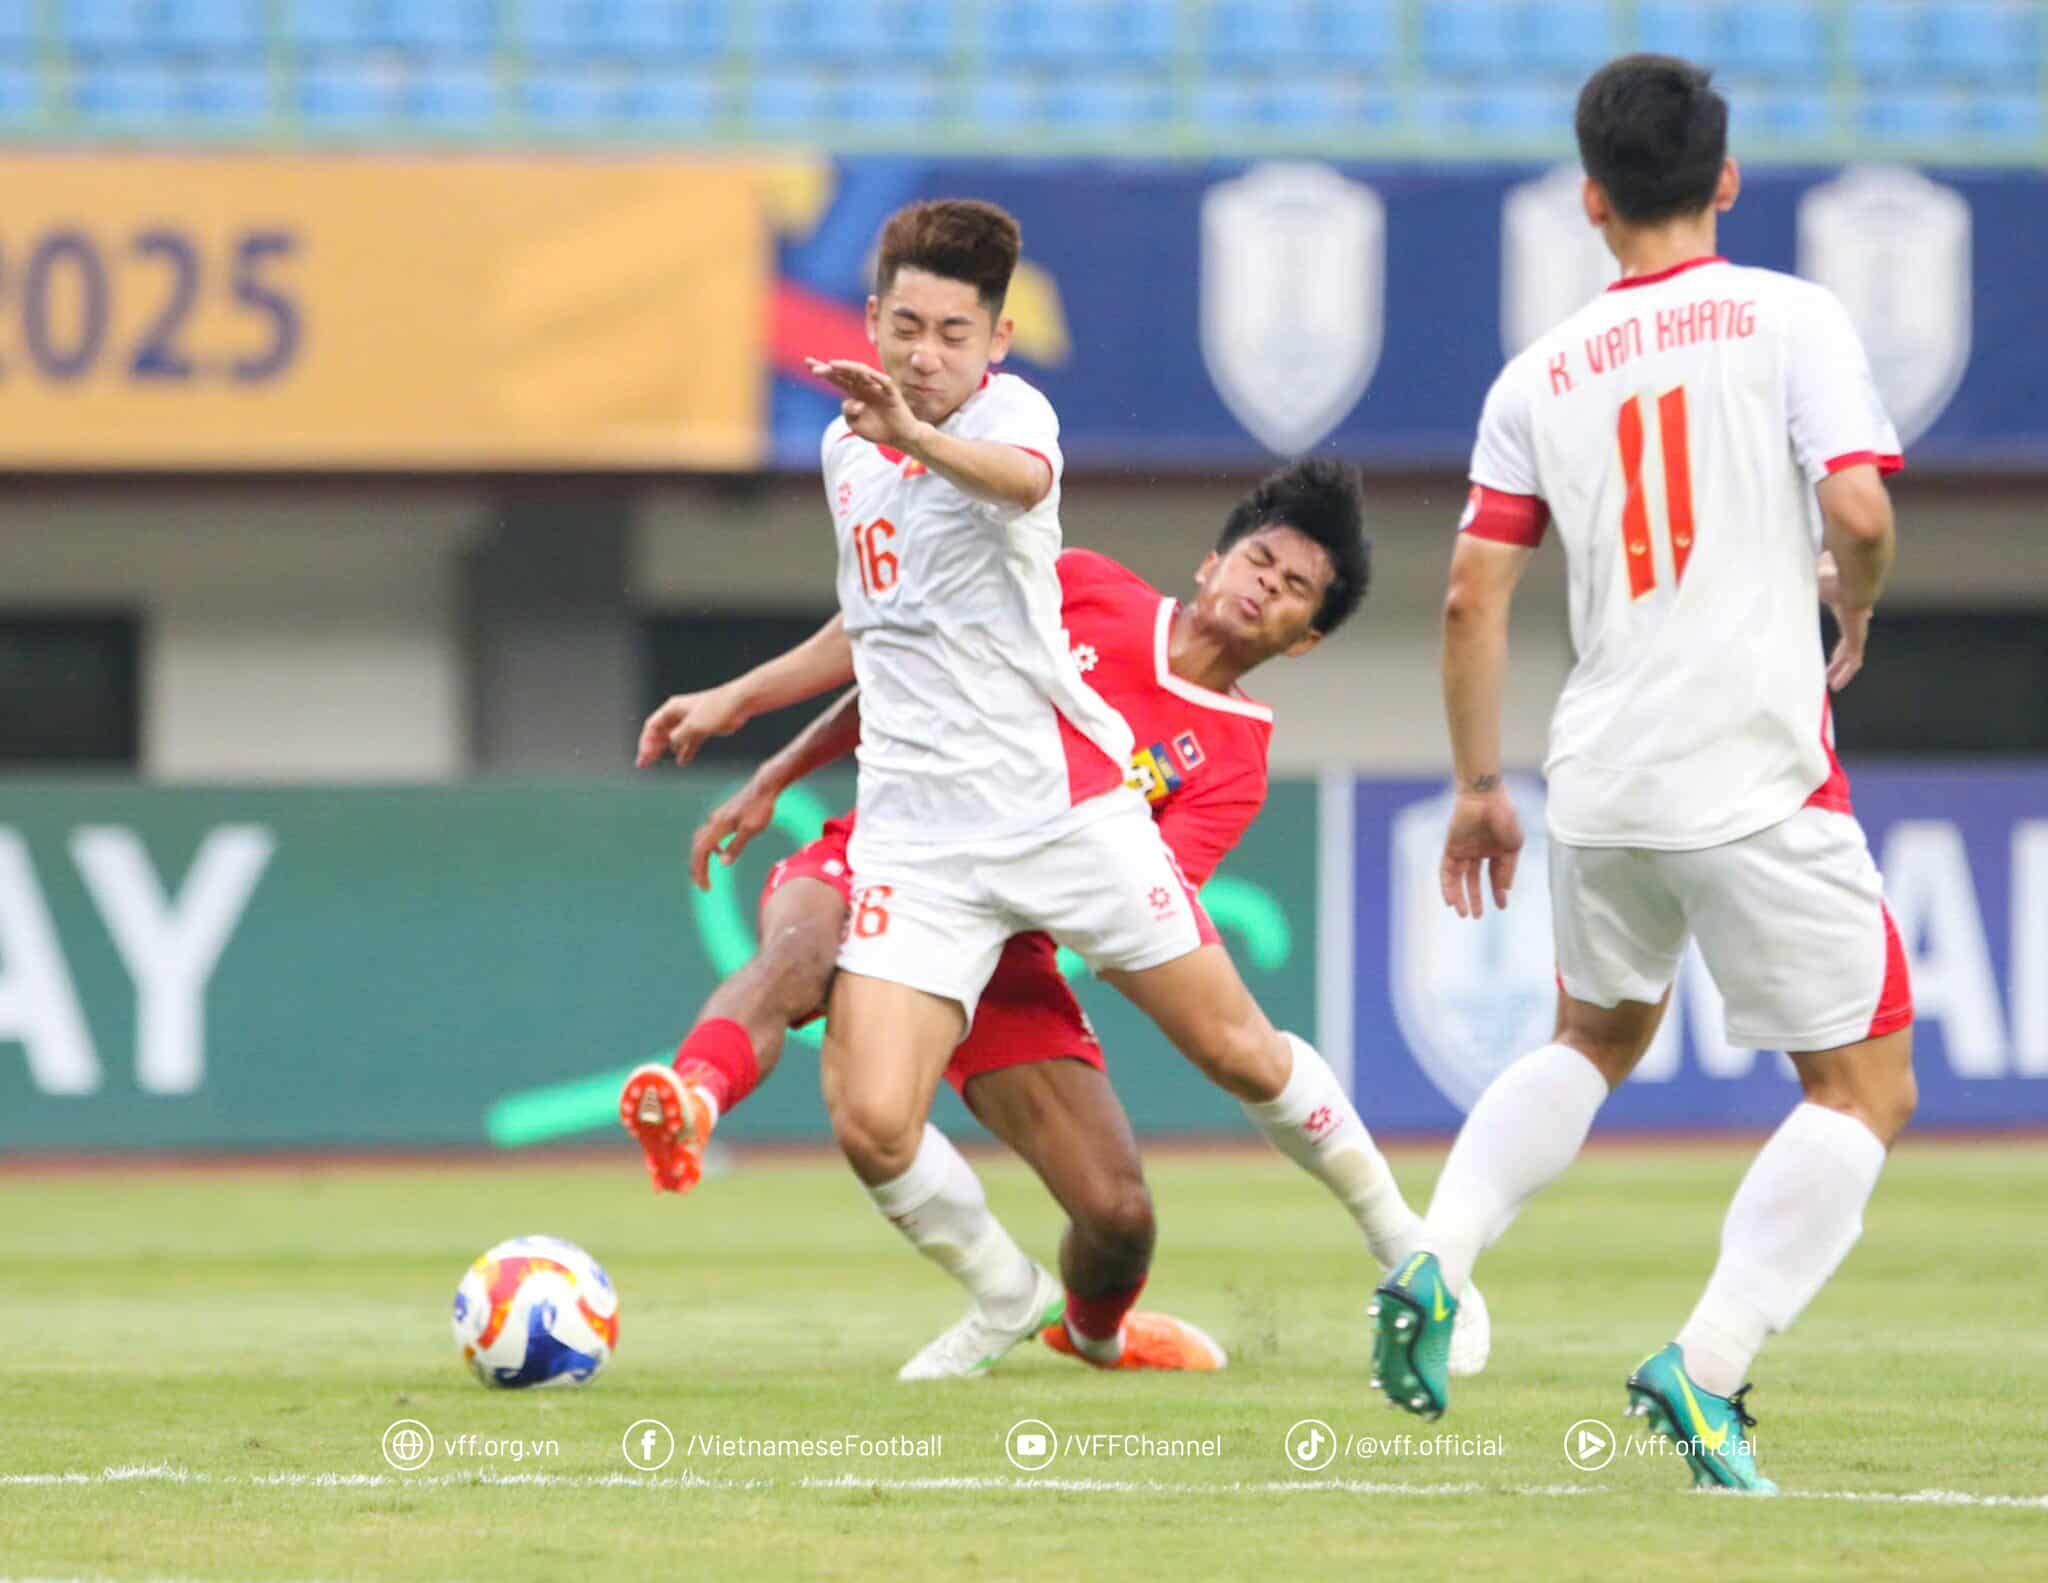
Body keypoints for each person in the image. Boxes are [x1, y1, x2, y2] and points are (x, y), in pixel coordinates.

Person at [628, 460, 1488, 1380]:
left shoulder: (1233, 760)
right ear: (1210, 564)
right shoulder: (1080, 586)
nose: (1263, 589)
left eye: (1292, 591)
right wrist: (774, 768)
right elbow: (897, 645)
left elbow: (1138, 904)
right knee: (807, 949)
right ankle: (691, 1097)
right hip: (899, 850)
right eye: (1259, 561)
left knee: (1119, 1217)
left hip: (1014, 940)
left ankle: (1090, 1332)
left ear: (1304, 637)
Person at [1368, 55, 1914, 1495]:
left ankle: (1433, 1254)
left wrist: (1481, 781)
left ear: (1592, 201)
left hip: (1599, 774)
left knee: (1591, 1038)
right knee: (1863, 1087)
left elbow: (1471, 597)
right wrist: (1851, 609)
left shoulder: (1536, 375)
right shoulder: (1795, 317)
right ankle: (1711, 1361)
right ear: (1726, 180)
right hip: (1752, 764)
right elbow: (1856, 505)